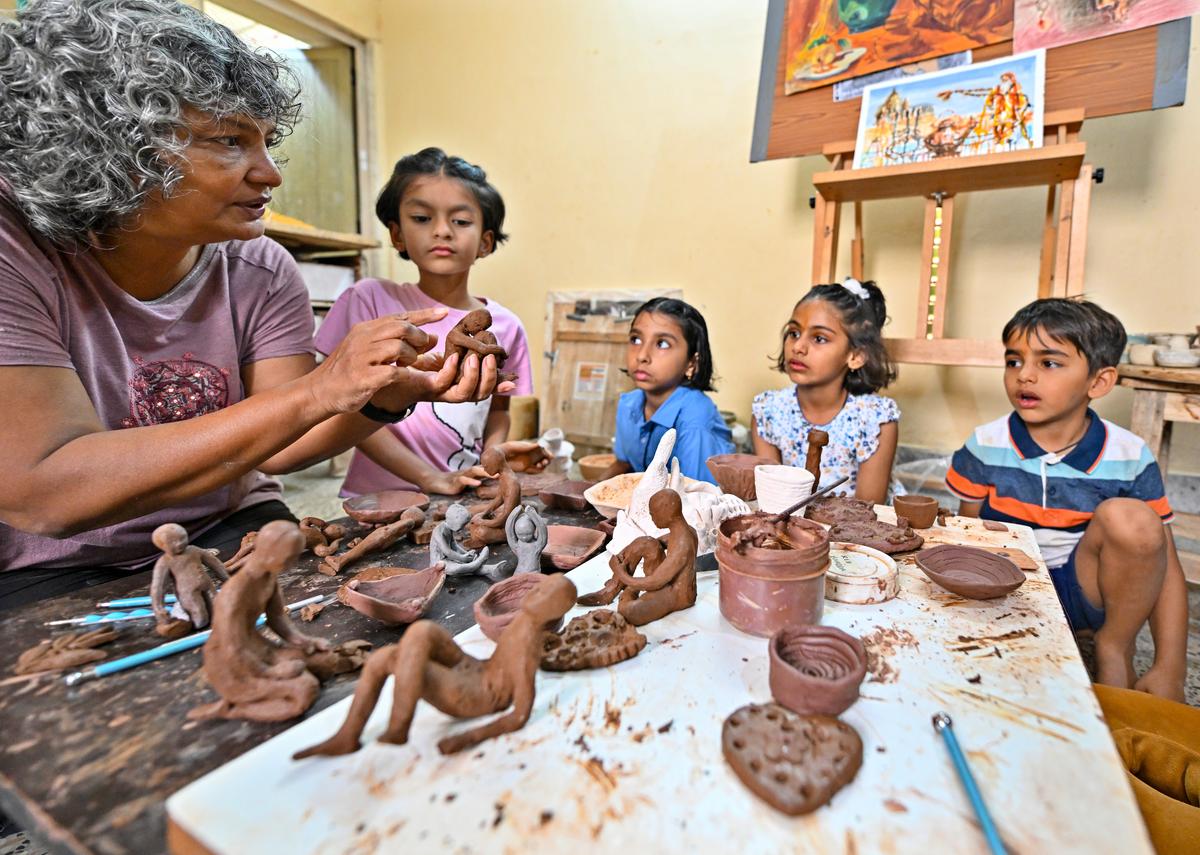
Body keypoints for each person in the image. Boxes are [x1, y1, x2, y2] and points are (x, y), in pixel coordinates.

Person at [0, 0, 507, 610]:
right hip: (55, 562)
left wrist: (386, 396)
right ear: (110, 145)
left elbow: (282, 443)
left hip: (229, 524)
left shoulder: (261, 267)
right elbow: (45, 493)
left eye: (266, 142)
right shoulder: (16, 251)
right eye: (229, 141)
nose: (270, 174)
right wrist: (319, 387)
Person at [946, 298, 1186, 701]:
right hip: (1009, 585)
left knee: (1135, 521)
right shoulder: (985, 444)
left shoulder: (1128, 455)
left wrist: (1171, 668)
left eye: (1049, 363)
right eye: (1014, 361)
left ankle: (1114, 646)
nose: (1025, 375)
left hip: (1085, 592)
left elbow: (1165, 566)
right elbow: (967, 538)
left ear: (1099, 382)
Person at [314, 147, 543, 498]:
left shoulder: (506, 325)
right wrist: (427, 476)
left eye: (460, 221)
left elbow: (499, 412)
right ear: (397, 234)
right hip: (378, 498)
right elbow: (346, 409)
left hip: (463, 492)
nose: (442, 231)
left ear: (485, 242)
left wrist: (492, 459)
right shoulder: (368, 301)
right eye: (422, 218)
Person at [751, 278, 901, 503]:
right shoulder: (768, 411)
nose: (798, 347)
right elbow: (773, 499)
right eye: (794, 333)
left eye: (819, 338)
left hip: (859, 523)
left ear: (855, 356)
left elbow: (867, 510)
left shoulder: (875, 420)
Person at [600, 297, 733, 484]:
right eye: (636, 339)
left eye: (662, 343)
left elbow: (695, 494)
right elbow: (624, 463)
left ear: (691, 363)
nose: (642, 356)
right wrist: (587, 492)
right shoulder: (629, 404)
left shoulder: (695, 418)